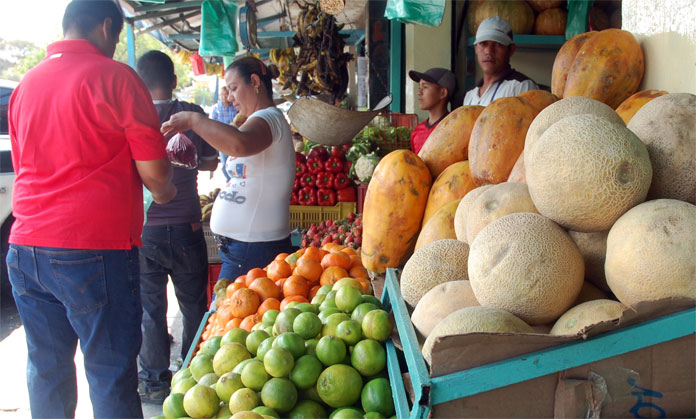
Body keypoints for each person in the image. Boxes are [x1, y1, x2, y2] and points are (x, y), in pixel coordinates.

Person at [5, 1, 176, 418]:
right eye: (116, 36)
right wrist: (167, 191)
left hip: (25, 247)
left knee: (46, 371)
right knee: (110, 373)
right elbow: (155, 176)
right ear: (106, 27)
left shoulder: (26, 84)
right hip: (94, 251)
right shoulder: (117, 78)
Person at [161, 56, 295, 284]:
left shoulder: (270, 119)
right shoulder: (258, 119)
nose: (230, 97)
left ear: (254, 81)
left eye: (234, 88)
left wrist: (194, 120)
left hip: (253, 247)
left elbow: (238, 144)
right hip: (245, 247)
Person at [135, 50, 219, 403]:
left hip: (145, 231)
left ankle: (154, 383)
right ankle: (191, 375)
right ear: (173, 81)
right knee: (193, 308)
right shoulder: (191, 114)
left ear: (139, 82)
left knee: (150, 310)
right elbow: (212, 160)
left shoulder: (132, 117)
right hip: (187, 227)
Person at [463, 17, 539, 106]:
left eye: (497, 44)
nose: (488, 51)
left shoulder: (522, 87)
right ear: (475, 48)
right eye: (483, 44)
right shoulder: (470, 96)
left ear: (511, 49)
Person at [408, 67, 457, 154]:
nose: (419, 92)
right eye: (419, 87)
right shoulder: (417, 132)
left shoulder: (453, 129)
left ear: (443, 93)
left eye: (425, 87)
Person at [210, 85, 239, 181]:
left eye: (226, 94)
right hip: (222, 140)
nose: (224, 97)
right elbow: (212, 123)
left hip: (235, 138)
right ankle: (229, 180)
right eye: (222, 95)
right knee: (225, 162)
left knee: (235, 161)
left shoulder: (235, 107)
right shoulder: (216, 108)